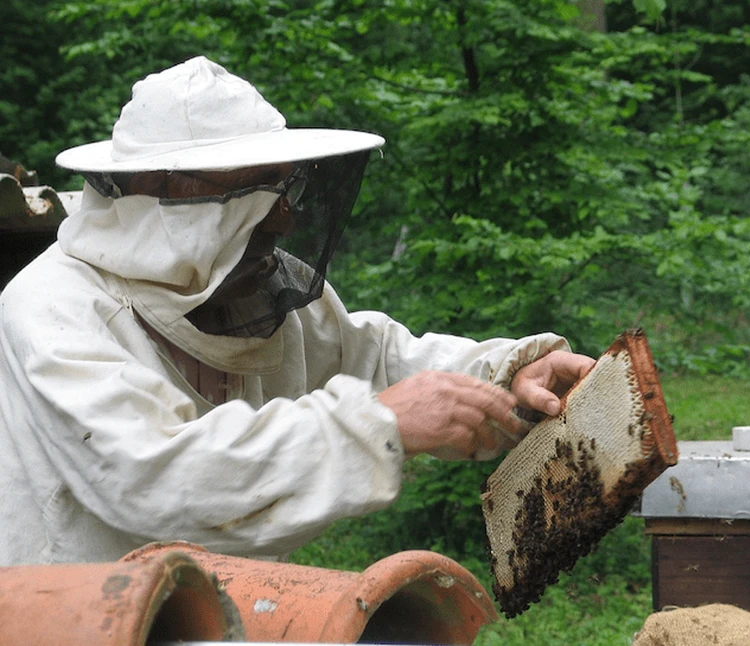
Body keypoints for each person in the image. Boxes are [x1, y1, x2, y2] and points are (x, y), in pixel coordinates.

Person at [0, 56, 594, 565]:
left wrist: (505, 372)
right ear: (166, 191)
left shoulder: (264, 284)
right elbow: (154, 475)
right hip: (80, 616)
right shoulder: (53, 309)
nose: (285, 216)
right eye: (257, 189)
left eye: (286, 188)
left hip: (236, 610)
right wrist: (377, 424)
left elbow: (376, 358)